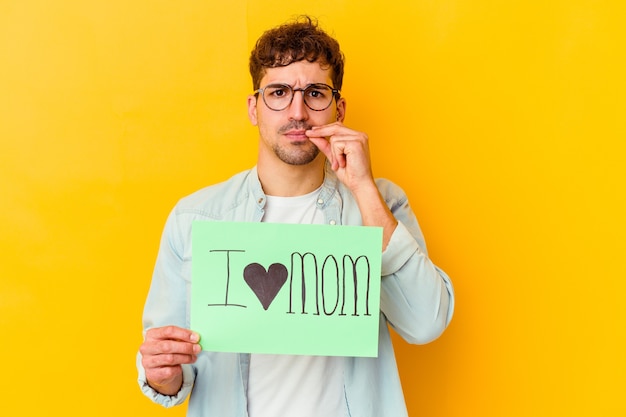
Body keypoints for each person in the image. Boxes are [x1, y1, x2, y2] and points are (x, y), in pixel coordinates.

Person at [137, 15, 454, 417]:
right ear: (254, 108)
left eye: (315, 93)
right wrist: (164, 375)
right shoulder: (195, 219)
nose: (298, 111)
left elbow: (426, 322)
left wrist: (363, 188)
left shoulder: (381, 204)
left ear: (338, 108)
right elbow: (171, 365)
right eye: (279, 92)